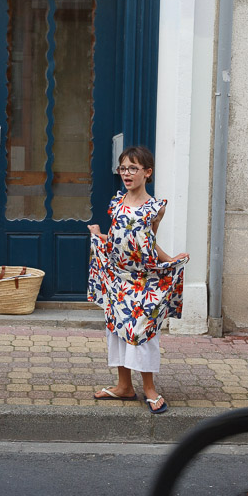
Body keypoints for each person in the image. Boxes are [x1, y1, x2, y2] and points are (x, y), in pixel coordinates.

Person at [87, 146, 189, 415]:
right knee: (118, 329)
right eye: (123, 168)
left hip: (143, 280)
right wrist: (99, 235)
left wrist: (170, 261)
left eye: (133, 168)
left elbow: (149, 245)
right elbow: (116, 240)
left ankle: (150, 389)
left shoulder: (155, 208)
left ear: (147, 172)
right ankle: (124, 387)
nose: (127, 173)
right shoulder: (116, 203)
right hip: (118, 280)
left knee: (143, 332)